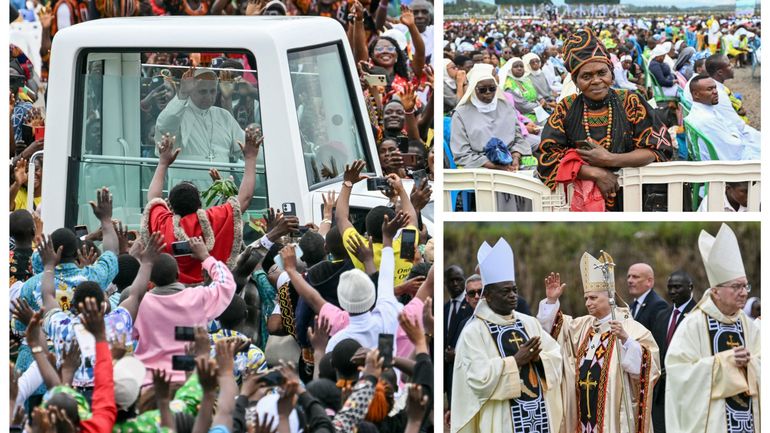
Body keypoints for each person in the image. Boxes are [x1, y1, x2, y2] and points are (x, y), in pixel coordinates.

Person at [535, 28, 673, 212]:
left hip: (632, 198)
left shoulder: (631, 101)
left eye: (602, 73)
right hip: (582, 203)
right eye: (586, 76)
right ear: (575, 82)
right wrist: (594, 173)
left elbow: (657, 150)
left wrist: (610, 159)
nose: (596, 81)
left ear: (611, 74)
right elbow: (547, 157)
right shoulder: (565, 108)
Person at [537, 251, 660, 433]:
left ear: (610, 298)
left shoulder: (631, 328)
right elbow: (552, 331)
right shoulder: (583, 326)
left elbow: (650, 367)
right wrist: (551, 300)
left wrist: (626, 340)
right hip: (583, 414)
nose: (588, 303)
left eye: (593, 298)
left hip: (612, 420)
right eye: (586, 298)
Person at [451, 238, 563, 433]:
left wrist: (538, 359)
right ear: (488, 295)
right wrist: (515, 361)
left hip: (538, 415)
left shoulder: (529, 323)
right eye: (505, 291)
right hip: (502, 418)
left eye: (514, 290)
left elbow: (556, 355)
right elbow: (478, 378)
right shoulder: (474, 331)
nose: (513, 295)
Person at [666, 224, 760, 433]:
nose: (743, 293)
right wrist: (725, 363)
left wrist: (751, 364)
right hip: (713, 424)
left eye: (746, 286)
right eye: (736, 286)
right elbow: (677, 372)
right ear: (716, 292)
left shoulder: (749, 326)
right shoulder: (694, 324)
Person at [141, 125, 261, 283]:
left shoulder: (164, 225)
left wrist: (163, 163)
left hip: (171, 296)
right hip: (209, 295)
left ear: (170, 205)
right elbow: (244, 198)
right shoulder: (213, 220)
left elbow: (153, 199)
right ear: (199, 203)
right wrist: (251, 157)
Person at [133, 236, 236, 392]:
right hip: (189, 384)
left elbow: (126, 336)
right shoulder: (198, 297)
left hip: (150, 386)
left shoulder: (138, 304)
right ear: (177, 275)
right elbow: (227, 283)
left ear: (150, 279)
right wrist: (205, 257)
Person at [449, 63, 530, 211]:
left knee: (533, 179)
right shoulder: (461, 114)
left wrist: (516, 157)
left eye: (492, 89)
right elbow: (462, 153)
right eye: (482, 90)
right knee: (501, 182)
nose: (488, 93)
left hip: (511, 161)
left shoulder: (506, 107)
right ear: (474, 88)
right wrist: (497, 167)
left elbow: (519, 138)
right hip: (480, 164)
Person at [154, 67, 245, 163]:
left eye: (212, 91)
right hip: (185, 177)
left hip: (221, 178)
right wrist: (183, 94)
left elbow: (243, 147)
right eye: (203, 91)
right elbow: (164, 127)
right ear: (191, 90)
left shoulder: (224, 115)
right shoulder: (178, 113)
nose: (209, 96)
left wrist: (227, 99)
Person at [650, 270, 696, 433]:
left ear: (690, 287)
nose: (672, 292)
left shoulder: (698, 315)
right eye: (670, 287)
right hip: (660, 392)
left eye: (677, 287)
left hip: (685, 391)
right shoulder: (663, 315)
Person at [685, 75, 759, 161]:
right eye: (709, 89)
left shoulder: (703, 110)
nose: (715, 92)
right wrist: (735, 134)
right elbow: (734, 148)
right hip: (726, 166)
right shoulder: (707, 119)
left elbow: (729, 124)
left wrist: (733, 133)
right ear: (696, 94)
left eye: (715, 88)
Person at [443, 266, 473, 403]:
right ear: (445, 283)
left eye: (459, 280)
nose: (455, 284)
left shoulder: (472, 307)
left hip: (467, 371)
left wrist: (458, 353)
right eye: (451, 280)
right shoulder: (444, 308)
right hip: (449, 373)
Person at [705, 54, 750, 124]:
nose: (732, 66)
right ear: (720, 72)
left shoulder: (715, 86)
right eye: (729, 65)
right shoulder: (719, 95)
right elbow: (736, 124)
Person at [626, 263, 669, 332]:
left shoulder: (658, 305)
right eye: (628, 276)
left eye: (635, 277)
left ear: (649, 281)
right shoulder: (631, 306)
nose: (629, 280)